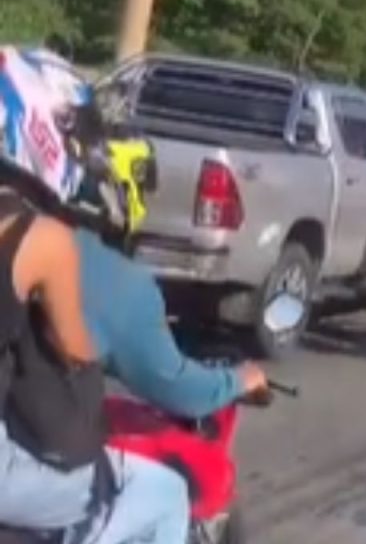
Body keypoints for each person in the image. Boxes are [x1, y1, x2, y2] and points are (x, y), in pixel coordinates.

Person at [0, 46, 268, 420]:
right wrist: (240, 379)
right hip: (23, 459)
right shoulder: (82, 260)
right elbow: (181, 391)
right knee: (173, 478)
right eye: (82, 129)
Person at [0, 46, 188, 542]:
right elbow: (76, 350)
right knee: (163, 495)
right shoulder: (41, 239)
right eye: (75, 131)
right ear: (40, 125)